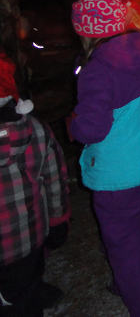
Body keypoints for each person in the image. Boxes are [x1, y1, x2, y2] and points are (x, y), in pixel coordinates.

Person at [68, 0, 140, 316]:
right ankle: (131, 280)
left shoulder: (98, 70)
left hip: (119, 173)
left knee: (125, 246)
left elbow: (93, 129)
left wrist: (73, 124)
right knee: (135, 230)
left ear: (85, 31)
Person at [1, 64, 70, 316]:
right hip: (27, 241)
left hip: (25, 243)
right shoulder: (36, 130)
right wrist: (58, 220)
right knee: (26, 300)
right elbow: (55, 180)